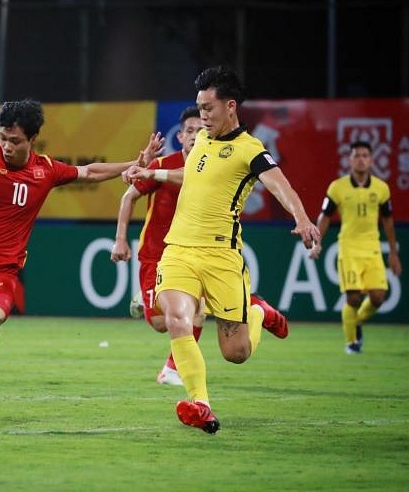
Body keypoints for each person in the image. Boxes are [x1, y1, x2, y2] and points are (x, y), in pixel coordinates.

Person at [0, 99, 160, 413]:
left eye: (14, 140)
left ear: (32, 139)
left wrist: (132, 165)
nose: (6, 145)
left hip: (0, 271)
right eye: (2, 137)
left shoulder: (46, 169)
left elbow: (89, 172)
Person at [127, 66, 319, 434]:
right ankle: (201, 404)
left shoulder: (251, 150)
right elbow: (193, 176)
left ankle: (258, 312)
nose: (202, 115)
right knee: (177, 318)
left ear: (231, 106)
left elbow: (282, 187)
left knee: (236, 354)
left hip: (221, 256)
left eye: (209, 108)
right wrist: (152, 173)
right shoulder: (200, 141)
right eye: (199, 108)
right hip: (179, 250)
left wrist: (303, 218)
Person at [113, 107, 288, 387]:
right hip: (158, 255)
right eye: (190, 131)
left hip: (200, 253)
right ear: (180, 136)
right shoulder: (162, 165)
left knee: (191, 313)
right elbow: (128, 196)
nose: (196, 136)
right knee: (159, 322)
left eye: (201, 130)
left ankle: (176, 372)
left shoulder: (216, 165)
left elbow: (198, 178)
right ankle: (255, 307)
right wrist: (121, 239)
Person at [308, 141, 402, 354]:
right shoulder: (337, 187)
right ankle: (352, 344)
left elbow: (388, 221)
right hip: (349, 247)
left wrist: (394, 253)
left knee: (378, 297)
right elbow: (325, 217)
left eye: (365, 155)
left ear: (371, 160)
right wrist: (317, 242)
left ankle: (354, 322)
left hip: (373, 248)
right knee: (353, 297)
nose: (361, 159)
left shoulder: (381, 188)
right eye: (356, 155)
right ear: (349, 160)